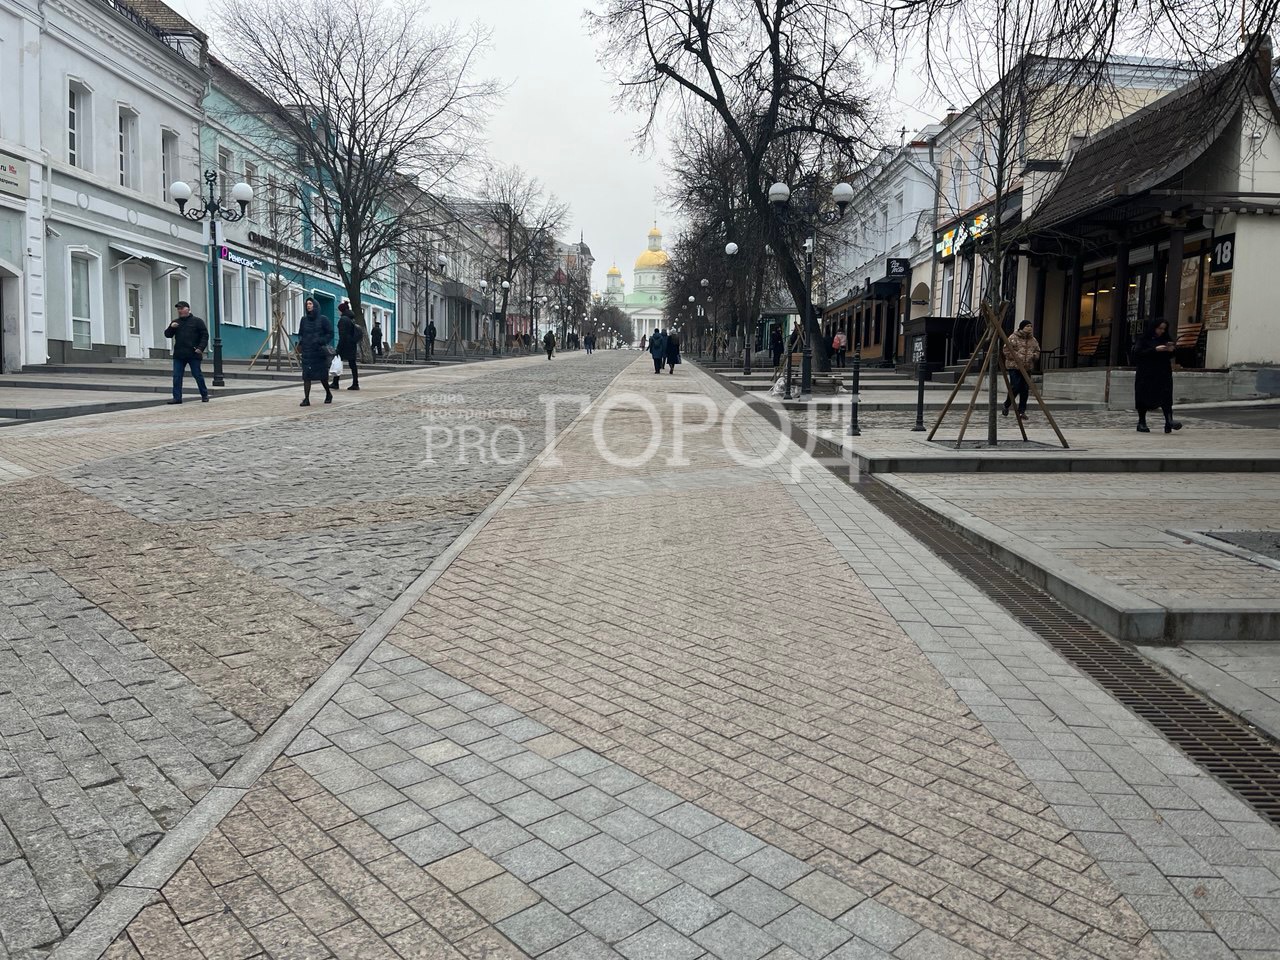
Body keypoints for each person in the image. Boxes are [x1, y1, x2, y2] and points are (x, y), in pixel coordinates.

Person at [1133, 318, 1182, 433]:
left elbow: (1173, 354)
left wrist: (1171, 350)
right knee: (1143, 396)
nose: (1162, 331)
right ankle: (1141, 422)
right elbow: (1138, 353)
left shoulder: (1165, 339)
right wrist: (1155, 350)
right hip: (1146, 372)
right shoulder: (1144, 339)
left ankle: (1169, 421)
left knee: (1166, 395)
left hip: (1163, 372)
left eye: (1164, 329)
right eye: (1159, 328)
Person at [163, 301, 210, 405]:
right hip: (179, 354)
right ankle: (177, 398)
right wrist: (171, 327)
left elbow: (204, 335)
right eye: (178, 309)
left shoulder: (197, 321)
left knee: (197, 374)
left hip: (193, 353)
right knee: (177, 376)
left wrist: (200, 348)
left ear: (188, 309)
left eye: (182, 308)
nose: (180, 311)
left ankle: (204, 394)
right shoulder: (176, 322)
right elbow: (167, 335)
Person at [296, 298, 334, 406]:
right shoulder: (304, 320)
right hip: (307, 352)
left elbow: (330, 333)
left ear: (315, 305)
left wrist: (321, 341)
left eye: (310, 303)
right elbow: (301, 333)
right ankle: (306, 399)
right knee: (306, 376)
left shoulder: (323, 319)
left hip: (318, 352)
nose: (308, 305)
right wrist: (302, 342)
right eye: (307, 304)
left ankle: (328, 393)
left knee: (322, 376)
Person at [1001, 320, 1041, 418]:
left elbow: (1037, 351)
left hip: (1027, 367)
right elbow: (1006, 350)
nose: (1029, 328)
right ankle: (1007, 404)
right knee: (1015, 386)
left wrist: (1033, 356)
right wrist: (1017, 356)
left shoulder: (1033, 340)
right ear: (1022, 327)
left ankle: (1021, 411)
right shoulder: (1013, 338)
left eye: (1031, 326)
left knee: (1025, 389)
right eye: (1027, 326)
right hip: (1014, 367)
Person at [334, 302, 360, 391]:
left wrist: (338, 348)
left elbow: (342, 335)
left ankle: (335, 383)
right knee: (352, 364)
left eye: (339, 310)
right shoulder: (351, 319)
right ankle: (355, 383)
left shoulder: (343, 319)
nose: (338, 312)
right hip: (352, 344)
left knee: (338, 361)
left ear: (341, 310)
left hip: (345, 345)